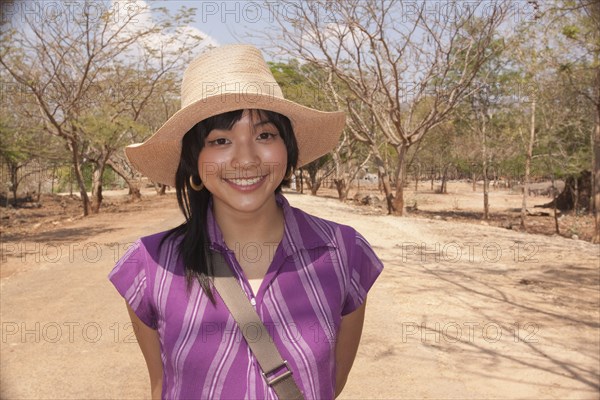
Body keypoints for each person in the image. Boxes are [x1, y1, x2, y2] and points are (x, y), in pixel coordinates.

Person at [108, 44, 384, 400]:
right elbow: (161, 387)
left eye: (264, 135)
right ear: (194, 159)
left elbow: (329, 383)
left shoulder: (344, 253)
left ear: (288, 147)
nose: (246, 159)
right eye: (221, 140)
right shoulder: (148, 265)